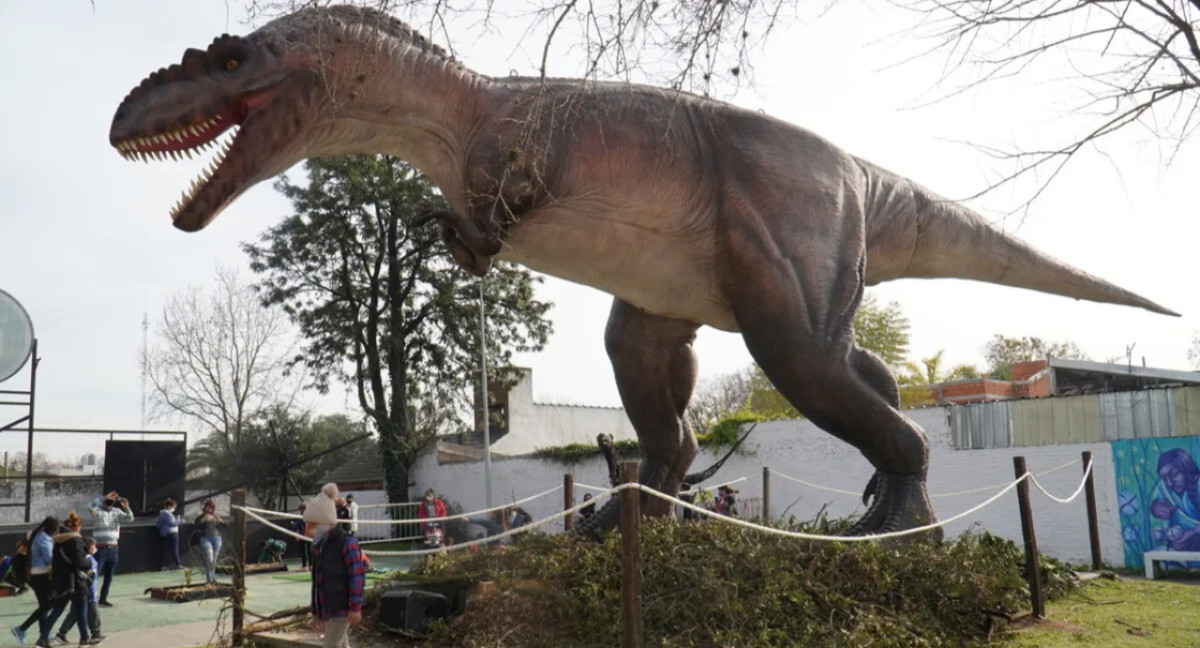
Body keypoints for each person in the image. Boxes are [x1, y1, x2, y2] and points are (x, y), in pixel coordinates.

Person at [304, 483, 364, 648]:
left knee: (332, 644)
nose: (309, 530)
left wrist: (355, 606)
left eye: (312, 525)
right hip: (328, 607)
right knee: (340, 644)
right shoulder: (319, 545)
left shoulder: (347, 543)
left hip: (341, 607)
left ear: (325, 522)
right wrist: (316, 611)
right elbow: (317, 581)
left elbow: (356, 576)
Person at [39, 511, 97, 647]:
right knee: (81, 610)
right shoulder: (76, 541)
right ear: (77, 527)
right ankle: (84, 639)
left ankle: (42, 638)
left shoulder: (59, 541)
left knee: (57, 611)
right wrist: (89, 558)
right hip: (76, 581)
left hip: (62, 581)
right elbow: (79, 562)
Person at [11, 516, 58, 646]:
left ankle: (44, 633)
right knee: (48, 604)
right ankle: (21, 629)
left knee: (43, 605)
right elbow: (49, 557)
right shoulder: (43, 538)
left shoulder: (35, 534)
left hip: (33, 574)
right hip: (41, 574)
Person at [87, 491, 133, 607]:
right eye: (108, 501)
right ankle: (91, 598)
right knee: (94, 574)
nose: (109, 502)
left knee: (109, 576)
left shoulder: (117, 512)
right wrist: (103, 497)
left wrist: (126, 507)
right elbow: (90, 506)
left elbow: (130, 518)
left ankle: (103, 598)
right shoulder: (97, 511)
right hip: (100, 548)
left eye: (112, 501)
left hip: (113, 548)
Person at [54, 538, 103, 645]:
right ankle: (95, 634)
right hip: (87, 591)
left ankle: (62, 633)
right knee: (90, 613)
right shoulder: (87, 559)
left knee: (75, 613)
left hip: (87, 590)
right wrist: (91, 592)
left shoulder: (86, 558)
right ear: (89, 547)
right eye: (94, 546)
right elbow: (90, 576)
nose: (95, 549)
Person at [1150, 448, 1200, 551]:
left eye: (1174, 474)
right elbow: (1156, 513)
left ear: (1186, 469)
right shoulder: (1162, 488)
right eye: (1164, 478)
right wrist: (1155, 508)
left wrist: (1193, 533)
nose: (1169, 483)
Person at [194, 500, 226, 584]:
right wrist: (203, 519)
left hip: (217, 538)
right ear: (205, 507)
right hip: (205, 539)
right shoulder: (201, 517)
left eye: (211, 508)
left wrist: (220, 521)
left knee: (214, 561)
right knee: (209, 559)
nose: (209, 509)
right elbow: (196, 526)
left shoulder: (216, 516)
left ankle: (212, 579)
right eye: (208, 507)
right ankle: (209, 580)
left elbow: (226, 526)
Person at [156, 498, 182, 571]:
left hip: (165, 533)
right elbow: (172, 523)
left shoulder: (161, 514)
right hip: (172, 533)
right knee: (174, 549)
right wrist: (179, 521)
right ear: (169, 506)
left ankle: (163, 565)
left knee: (165, 550)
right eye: (174, 507)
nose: (174, 509)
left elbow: (158, 524)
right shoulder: (167, 514)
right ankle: (178, 564)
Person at [292, 503, 314, 572]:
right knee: (309, 551)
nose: (301, 511)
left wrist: (294, 524)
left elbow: (298, 525)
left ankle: (305, 566)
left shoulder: (304, 517)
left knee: (304, 551)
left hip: (304, 535)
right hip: (309, 535)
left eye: (301, 509)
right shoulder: (311, 516)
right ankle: (310, 565)